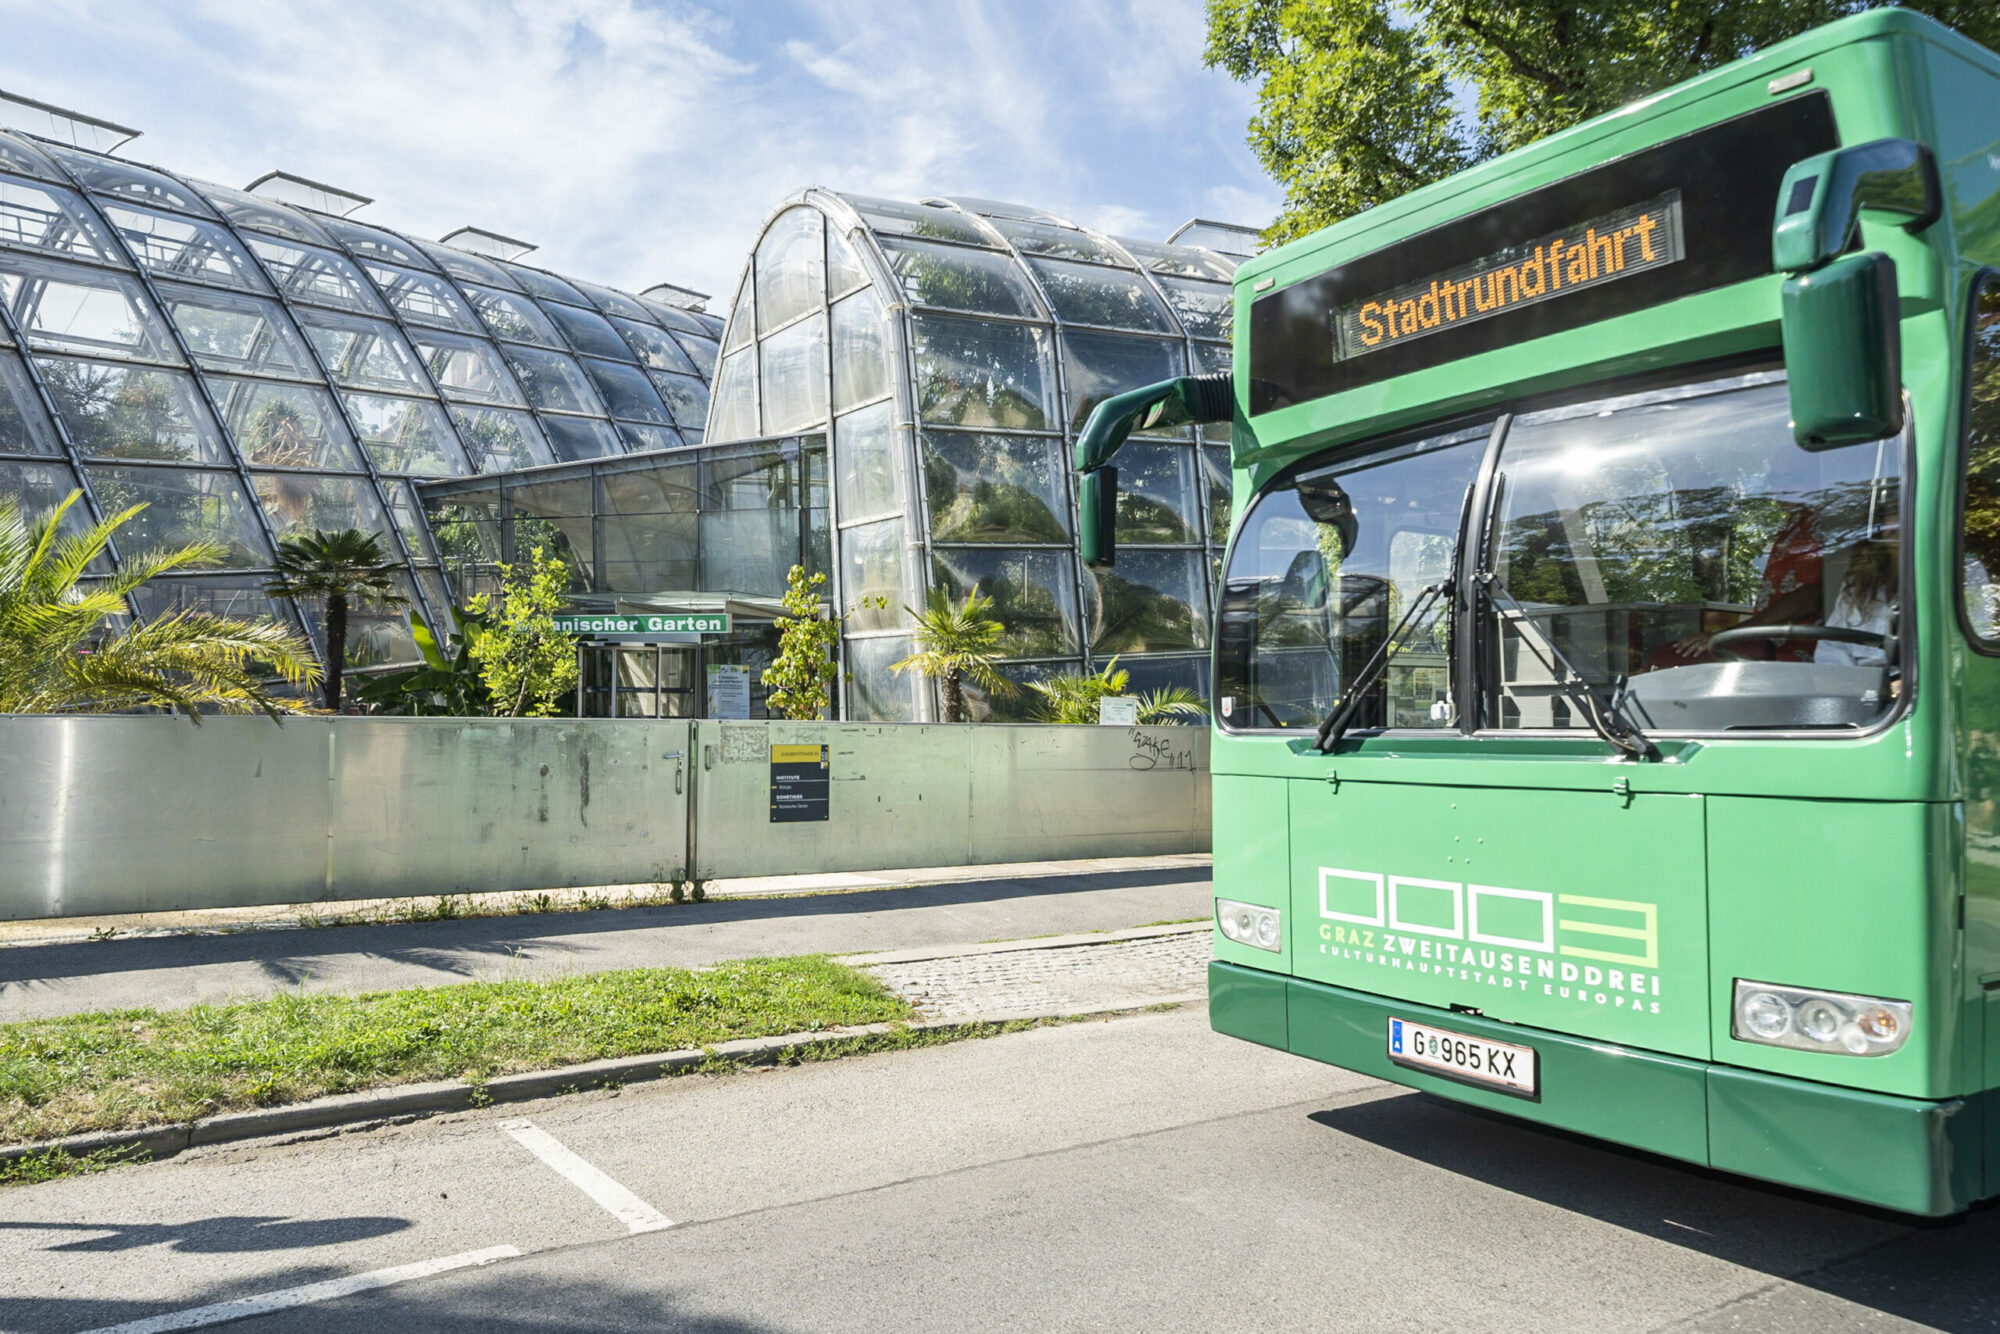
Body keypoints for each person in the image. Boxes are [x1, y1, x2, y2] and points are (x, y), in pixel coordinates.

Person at [1814, 540, 1896, 666]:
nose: (1892, 528)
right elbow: (1831, 649)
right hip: (1859, 679)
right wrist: (1849, 680)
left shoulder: (1930, 587)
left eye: (1897, 520)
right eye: (1888, 519)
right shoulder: (1858, 585)